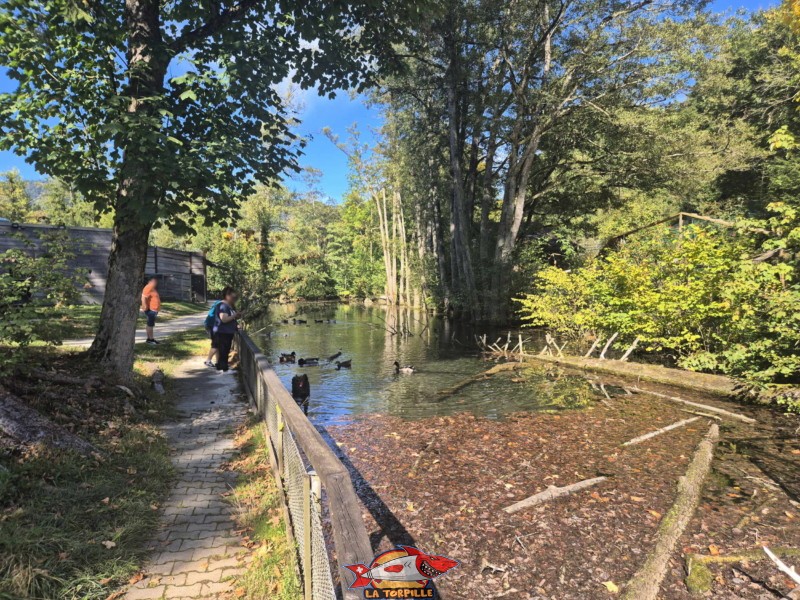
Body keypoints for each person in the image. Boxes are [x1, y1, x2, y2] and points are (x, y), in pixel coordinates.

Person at [213, 286, 243, 373]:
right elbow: (224, 319)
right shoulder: (223, 306)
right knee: (224, 351)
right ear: (227, 295)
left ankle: (221, 367)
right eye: (232, 296)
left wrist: (236, 318)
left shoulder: (226, 306)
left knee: (225, 350)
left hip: (226, 332)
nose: (234, 298)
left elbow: (229, 318)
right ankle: (224, 369)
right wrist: (235, 315)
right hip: (223, 332)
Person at [141, 276, 161, 345]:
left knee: (149, 324)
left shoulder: (152, 288)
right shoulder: (148, 287)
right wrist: (144, 306)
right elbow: (143, 297)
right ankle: (151, 340)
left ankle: (149, 339)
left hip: (153, 310)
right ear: (150, 281)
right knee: (150, 325)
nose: (155, 282)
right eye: (154, 281)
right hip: (151, 310)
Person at [203, 298, 222, 368]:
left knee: (218, 344)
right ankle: (208, 361)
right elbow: (223, 318)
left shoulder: (219, 302)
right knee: (216, 344)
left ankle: (218, 362)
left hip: (211, 325)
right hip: (212, 326)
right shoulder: (222, 304)